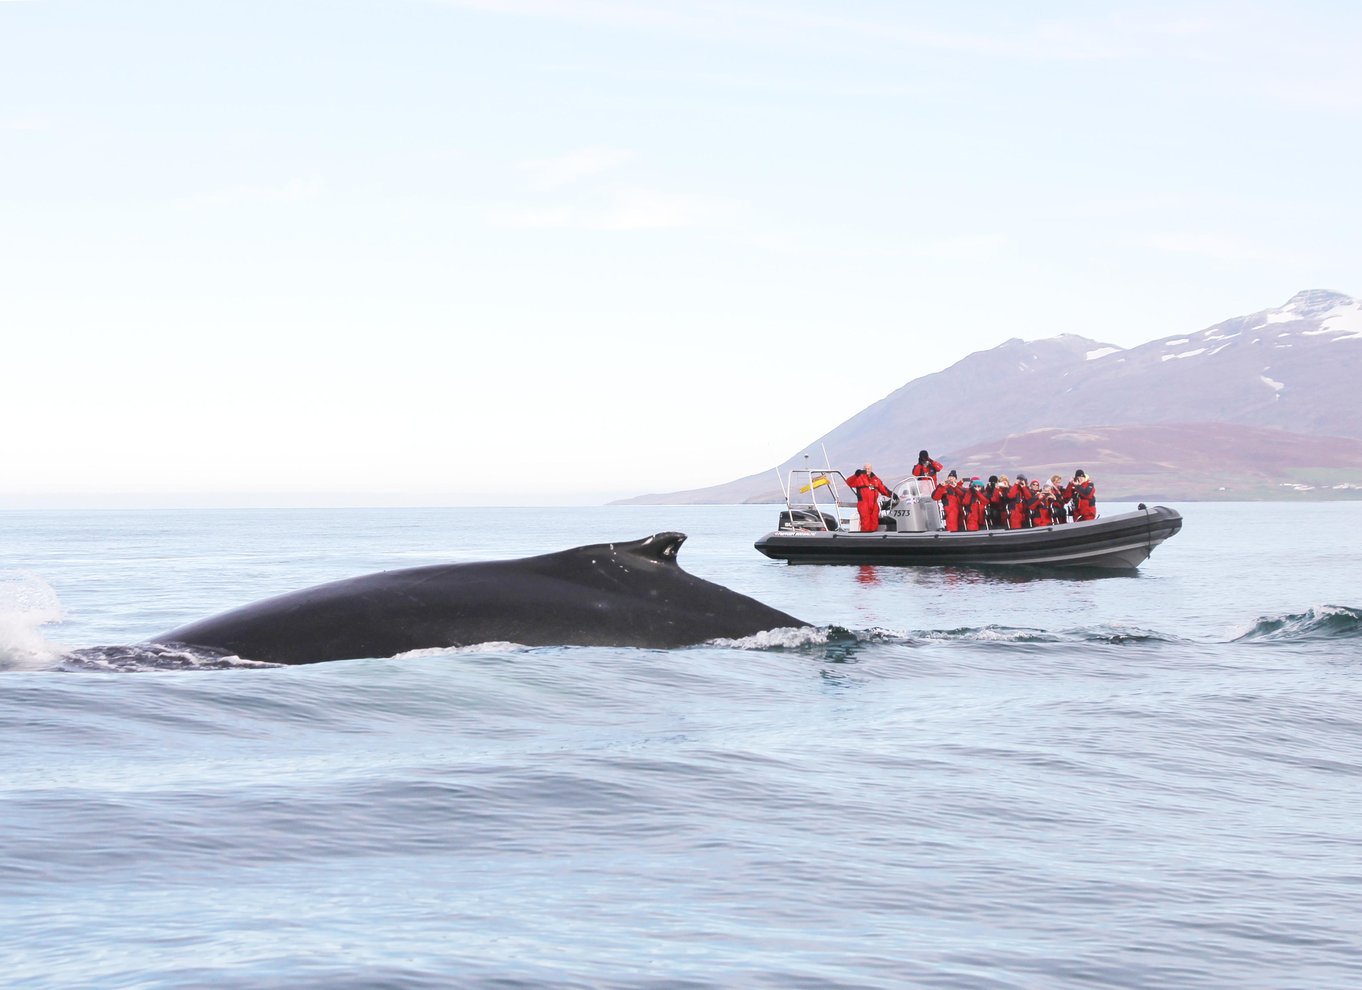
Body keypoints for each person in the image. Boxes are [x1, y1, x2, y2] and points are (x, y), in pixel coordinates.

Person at [845, 462, 892, 532]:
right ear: (863, 469)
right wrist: (855, 475)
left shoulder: (876, 479)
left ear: (871, 469)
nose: (867, 470)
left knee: (874, 523)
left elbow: (883, 489)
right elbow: (849, 482)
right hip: (864, 504)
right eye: (865, 468)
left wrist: (892, 495)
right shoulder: (859, 478)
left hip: (874, 504)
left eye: (868, 468)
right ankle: (865, 539)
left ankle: (874, 539)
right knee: (865, 523)